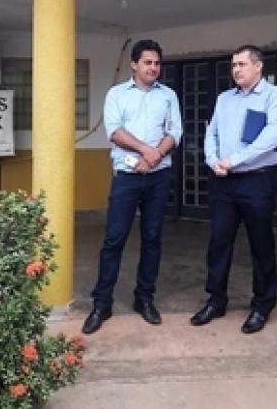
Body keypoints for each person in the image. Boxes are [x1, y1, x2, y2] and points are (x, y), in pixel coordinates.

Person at [82, 39, 182, 335]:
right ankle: (102, 303)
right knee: (114, 239)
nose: (153, 68)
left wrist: (154, 156)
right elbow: (114, 131)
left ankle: (144, 298)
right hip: (126, 177)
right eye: (147, 62)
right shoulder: (116, 94)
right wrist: (145, 150)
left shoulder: (168, 96)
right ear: (134, 65)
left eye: (157, 63)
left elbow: (175, 131)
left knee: (152, 238)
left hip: (158, 176)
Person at [190, 45, 277, 334]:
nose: (236, 69)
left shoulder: (274, 98)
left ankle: (262, 305)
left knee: (261, 245)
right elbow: (211, 132)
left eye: (242, 64)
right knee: (219, 242)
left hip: (256, 181)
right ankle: (216, 299)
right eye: (233, 65)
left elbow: (272, 137)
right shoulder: (225, 99)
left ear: (258, 66)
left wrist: (234, 160)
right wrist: (213, 161)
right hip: (223, 182)